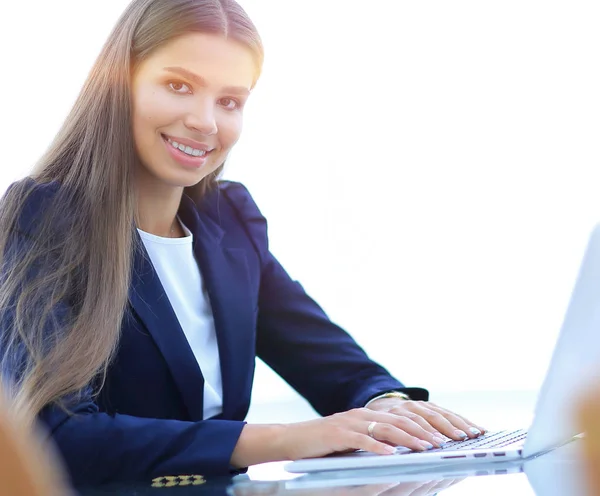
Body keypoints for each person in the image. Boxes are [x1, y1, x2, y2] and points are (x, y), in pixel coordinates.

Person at [0, 0, 486, 486]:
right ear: (118, 86)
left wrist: (391, 409)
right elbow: (52, 435)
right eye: (179, 86)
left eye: (229, 101)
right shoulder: (43, 218)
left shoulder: (229, 222)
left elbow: (337, 367)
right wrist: (284, 439)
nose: (205, 121)